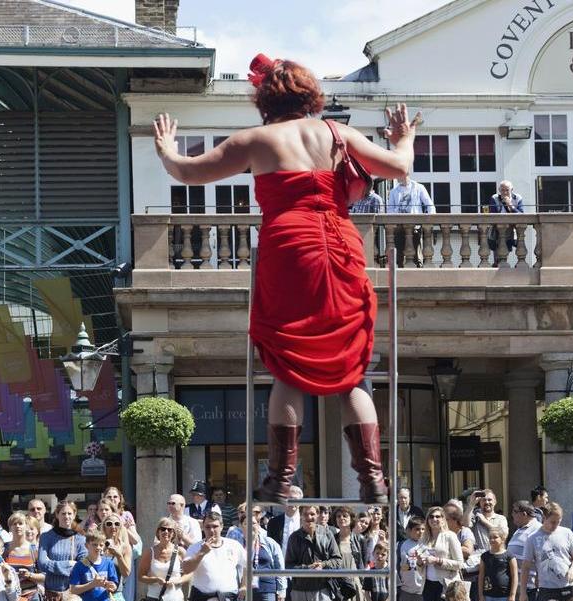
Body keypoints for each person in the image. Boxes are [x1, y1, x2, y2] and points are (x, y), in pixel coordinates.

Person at [155, 60, 419, 505]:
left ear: (264, 99)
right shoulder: (337, 133)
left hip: (290, 248)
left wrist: (166, 149)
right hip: (341, 247)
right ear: (310, 96)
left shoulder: (257, 140)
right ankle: (373, 480)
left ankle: (279, 479)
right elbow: (399, 167)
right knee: (352, 372)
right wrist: (403, 138)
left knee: (288, 365)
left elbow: (187, 172)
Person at [227, 503, 286, 601]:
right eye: (246, 524)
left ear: (258, 525)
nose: (250, 526)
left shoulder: (269, 543)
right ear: (241, 527)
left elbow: (280, 568)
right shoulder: (236, 546)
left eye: (253, 523)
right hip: (244, 592)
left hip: (266, 589)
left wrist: (281, 591)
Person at [183, 511, 246, 601]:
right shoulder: (195, 547)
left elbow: (248, 565)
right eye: (207, 527)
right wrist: (202, 553)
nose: (211, 530)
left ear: (221, 526)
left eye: (215, 526)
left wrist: (244, 585)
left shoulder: (233, 545)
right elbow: (186, 569)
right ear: (203, 528)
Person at [520, 502, 573, 601]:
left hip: (570, 586)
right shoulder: (532, 538)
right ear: (544, 518)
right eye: (553, 522)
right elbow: (525, 567)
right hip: (547, 589)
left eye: (558, 522)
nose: (555, 525)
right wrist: (523, 592)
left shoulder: (567, 533)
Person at [69, 530, 119, 601]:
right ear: (87, 545)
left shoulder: (108, 563)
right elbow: (73, 589)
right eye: (94, 544)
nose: (98, 548)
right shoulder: (80, 565)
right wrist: (92, 584)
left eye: (101, 545)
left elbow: (114, 584)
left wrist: (112, 586)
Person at [137, 517, 188, 601]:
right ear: (158, 532)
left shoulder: (180, 552)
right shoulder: (150, 552)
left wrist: (178, 581)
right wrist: (156, 580)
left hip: (175, 599)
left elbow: (189, 573)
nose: (166, 532)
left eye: (170, 530)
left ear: (173, 533)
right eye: (163, 529)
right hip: (155, 599)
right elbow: (141, 576)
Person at [418, 507, 463, 601]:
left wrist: (438, 561)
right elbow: (420, 566)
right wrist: (419, 562)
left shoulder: (450, 536)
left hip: (445, 585)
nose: (434, 519)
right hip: (427, 585)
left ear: (443, 519)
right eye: (431, 517)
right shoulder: (424, 538)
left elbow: (459, 563)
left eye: (438, 516)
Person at [477, 526, 518, 601]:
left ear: (503, 538)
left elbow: (514, 575)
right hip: (489, 596)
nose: (492, 540)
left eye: (495, 537)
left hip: (505, 596)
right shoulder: (485, 556)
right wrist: (481, 595)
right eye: (490, 537)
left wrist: (512, 594)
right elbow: (481, 576)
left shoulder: (509, 555)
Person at [329, 506, 367, 601]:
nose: (341, 518)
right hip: (339, 584)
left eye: (345, 516)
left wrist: (362, 583)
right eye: (338, 516)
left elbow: (362, 562)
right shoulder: (332, 539)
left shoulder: (359, 539)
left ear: (351, 519)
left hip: (355, 583)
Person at [387, 174, 435, 267]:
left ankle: (417, 272)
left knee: (416, 255)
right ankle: (400, 272)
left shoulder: (419, 187)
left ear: (405, 174)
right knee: (399, 256)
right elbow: (390, 210)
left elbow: (430, 205)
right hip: (399, 227)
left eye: (398, 174)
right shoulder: (394, 191)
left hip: (415, 227)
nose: (396, 177)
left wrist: (430, 221)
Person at [398, 517, 429, 601]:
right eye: (417, 529)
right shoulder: (401, 545)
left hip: (422, 588)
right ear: (409, 531)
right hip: (406, 588)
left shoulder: (427, 544)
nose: (420, 532)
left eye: (423, 529)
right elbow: (397, 564)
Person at [507, 501, 541, 601]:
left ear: (524, 514)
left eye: (515, 512)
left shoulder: (537, 529)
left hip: (530, 589)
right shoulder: (519, 529)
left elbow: (540, 558)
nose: (512, 515)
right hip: (518, 587)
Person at [487, 179, 524, 264]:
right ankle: (497, 265)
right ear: (499, 190)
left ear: (512, 189)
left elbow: (521, 215)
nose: (505, 192)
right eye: (502, 190)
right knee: (497, 254)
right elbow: (493, 215)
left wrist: (510, 205)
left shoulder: (518, 198)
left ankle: (503, 266)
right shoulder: (495, 198)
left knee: (507, 251)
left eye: (507, 190)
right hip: (497, 230)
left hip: (512, 229)